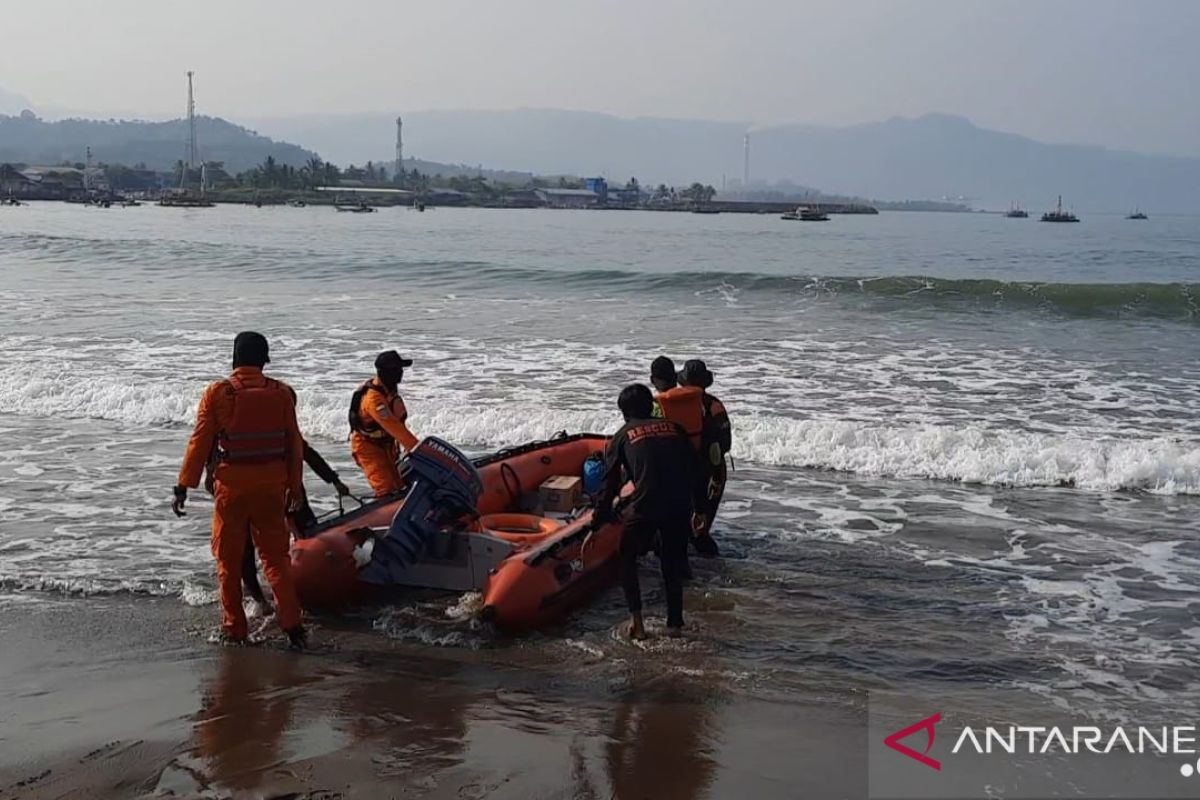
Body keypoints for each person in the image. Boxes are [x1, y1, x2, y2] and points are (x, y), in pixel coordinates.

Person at [172, 332, 307, 649]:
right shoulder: (283, 393)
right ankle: (293, 627)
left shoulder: (219, 393)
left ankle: (235, 627)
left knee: (228, 562)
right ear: (264, 361)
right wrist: (295, 486)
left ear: (234, 359)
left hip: (232, 488)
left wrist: (183, 486)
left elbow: (200, 441)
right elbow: (294, 444)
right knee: (276, 560)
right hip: (272, 487)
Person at [592, 384, 701, 640]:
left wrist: (598, 520)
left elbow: (609, 485)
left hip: (645, 506)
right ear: (650, 406)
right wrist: (701, 509)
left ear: (623, 413)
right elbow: (695, 470)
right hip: (678, 505)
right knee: (671, 563)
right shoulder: (676, 429)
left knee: (626, 556)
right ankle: (675, 624)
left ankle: (637, 622)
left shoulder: (621, 436)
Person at [205, 425, 350, 617]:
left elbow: (307, 454)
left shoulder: (247, 427)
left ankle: (271, 595)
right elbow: (307, 453)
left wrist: (333, 479)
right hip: (271, 494)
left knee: (288, 539)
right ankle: (263, 599)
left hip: (273, 493)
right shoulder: (269, 428)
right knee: (251, 548)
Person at [349, 350, 420, 497]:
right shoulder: (374, 400)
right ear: (387, 372)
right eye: (397, 369)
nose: (401, 372)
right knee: (385, 490)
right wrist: (420, 451)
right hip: (368, 447)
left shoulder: (389, 391)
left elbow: (400, 426)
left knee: (400, 487)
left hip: (387, 446)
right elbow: (397, 430)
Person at [679, 359, 731, 555]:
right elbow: (726, 442)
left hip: (684, 471)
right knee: (701, 526)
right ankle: (711, 570)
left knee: (686, 525)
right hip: (712, 470)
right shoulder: (713, 404)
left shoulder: (674, 406)